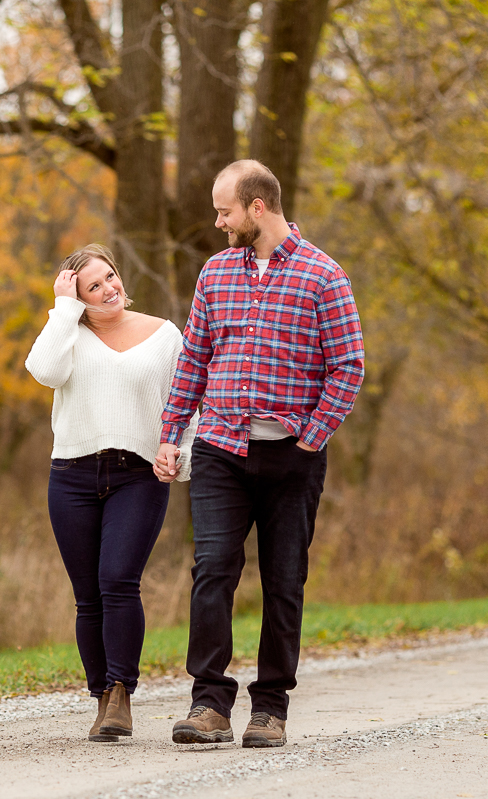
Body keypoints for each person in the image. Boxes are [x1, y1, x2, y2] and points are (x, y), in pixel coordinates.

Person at [154, 160, 364, 748]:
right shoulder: (216, 273)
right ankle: (208, 702)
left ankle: (270, 707)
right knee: (212, 570)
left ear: (257, 208)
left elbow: (348, 366)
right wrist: (172, 433)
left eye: (224, 211)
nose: (218, 222)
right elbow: (194, 359)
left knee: (284, 580)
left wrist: (311, 437)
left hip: (291, 457)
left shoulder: (324, 276)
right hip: (221, 449)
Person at [25, 243, 196, 743]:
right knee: (87, 596)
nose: (108, 289)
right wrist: (63, 311)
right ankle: (100, 696)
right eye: (93, 285)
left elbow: (187, 401)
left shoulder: (164, 335)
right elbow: (44, 372)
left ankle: (121, 691)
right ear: (78, 298)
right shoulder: (68, 337)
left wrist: (178, 454)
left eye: (111, 277)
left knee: (118, 578)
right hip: (71, 476)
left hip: (137, 475)